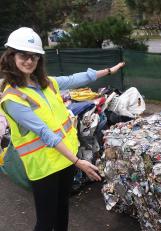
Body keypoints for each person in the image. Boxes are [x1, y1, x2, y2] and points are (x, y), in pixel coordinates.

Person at [0, 27, 125, 231]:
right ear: (11, 56)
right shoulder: (12, 98)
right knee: (45, 221)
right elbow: (44, 133)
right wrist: (78, 162)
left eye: (34, 56)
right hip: (45, 168)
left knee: (62, 211)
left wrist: (109, 71)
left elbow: (75, 79)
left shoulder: (45, 83)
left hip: (65, 160)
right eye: (24, 55)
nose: (29, 61)